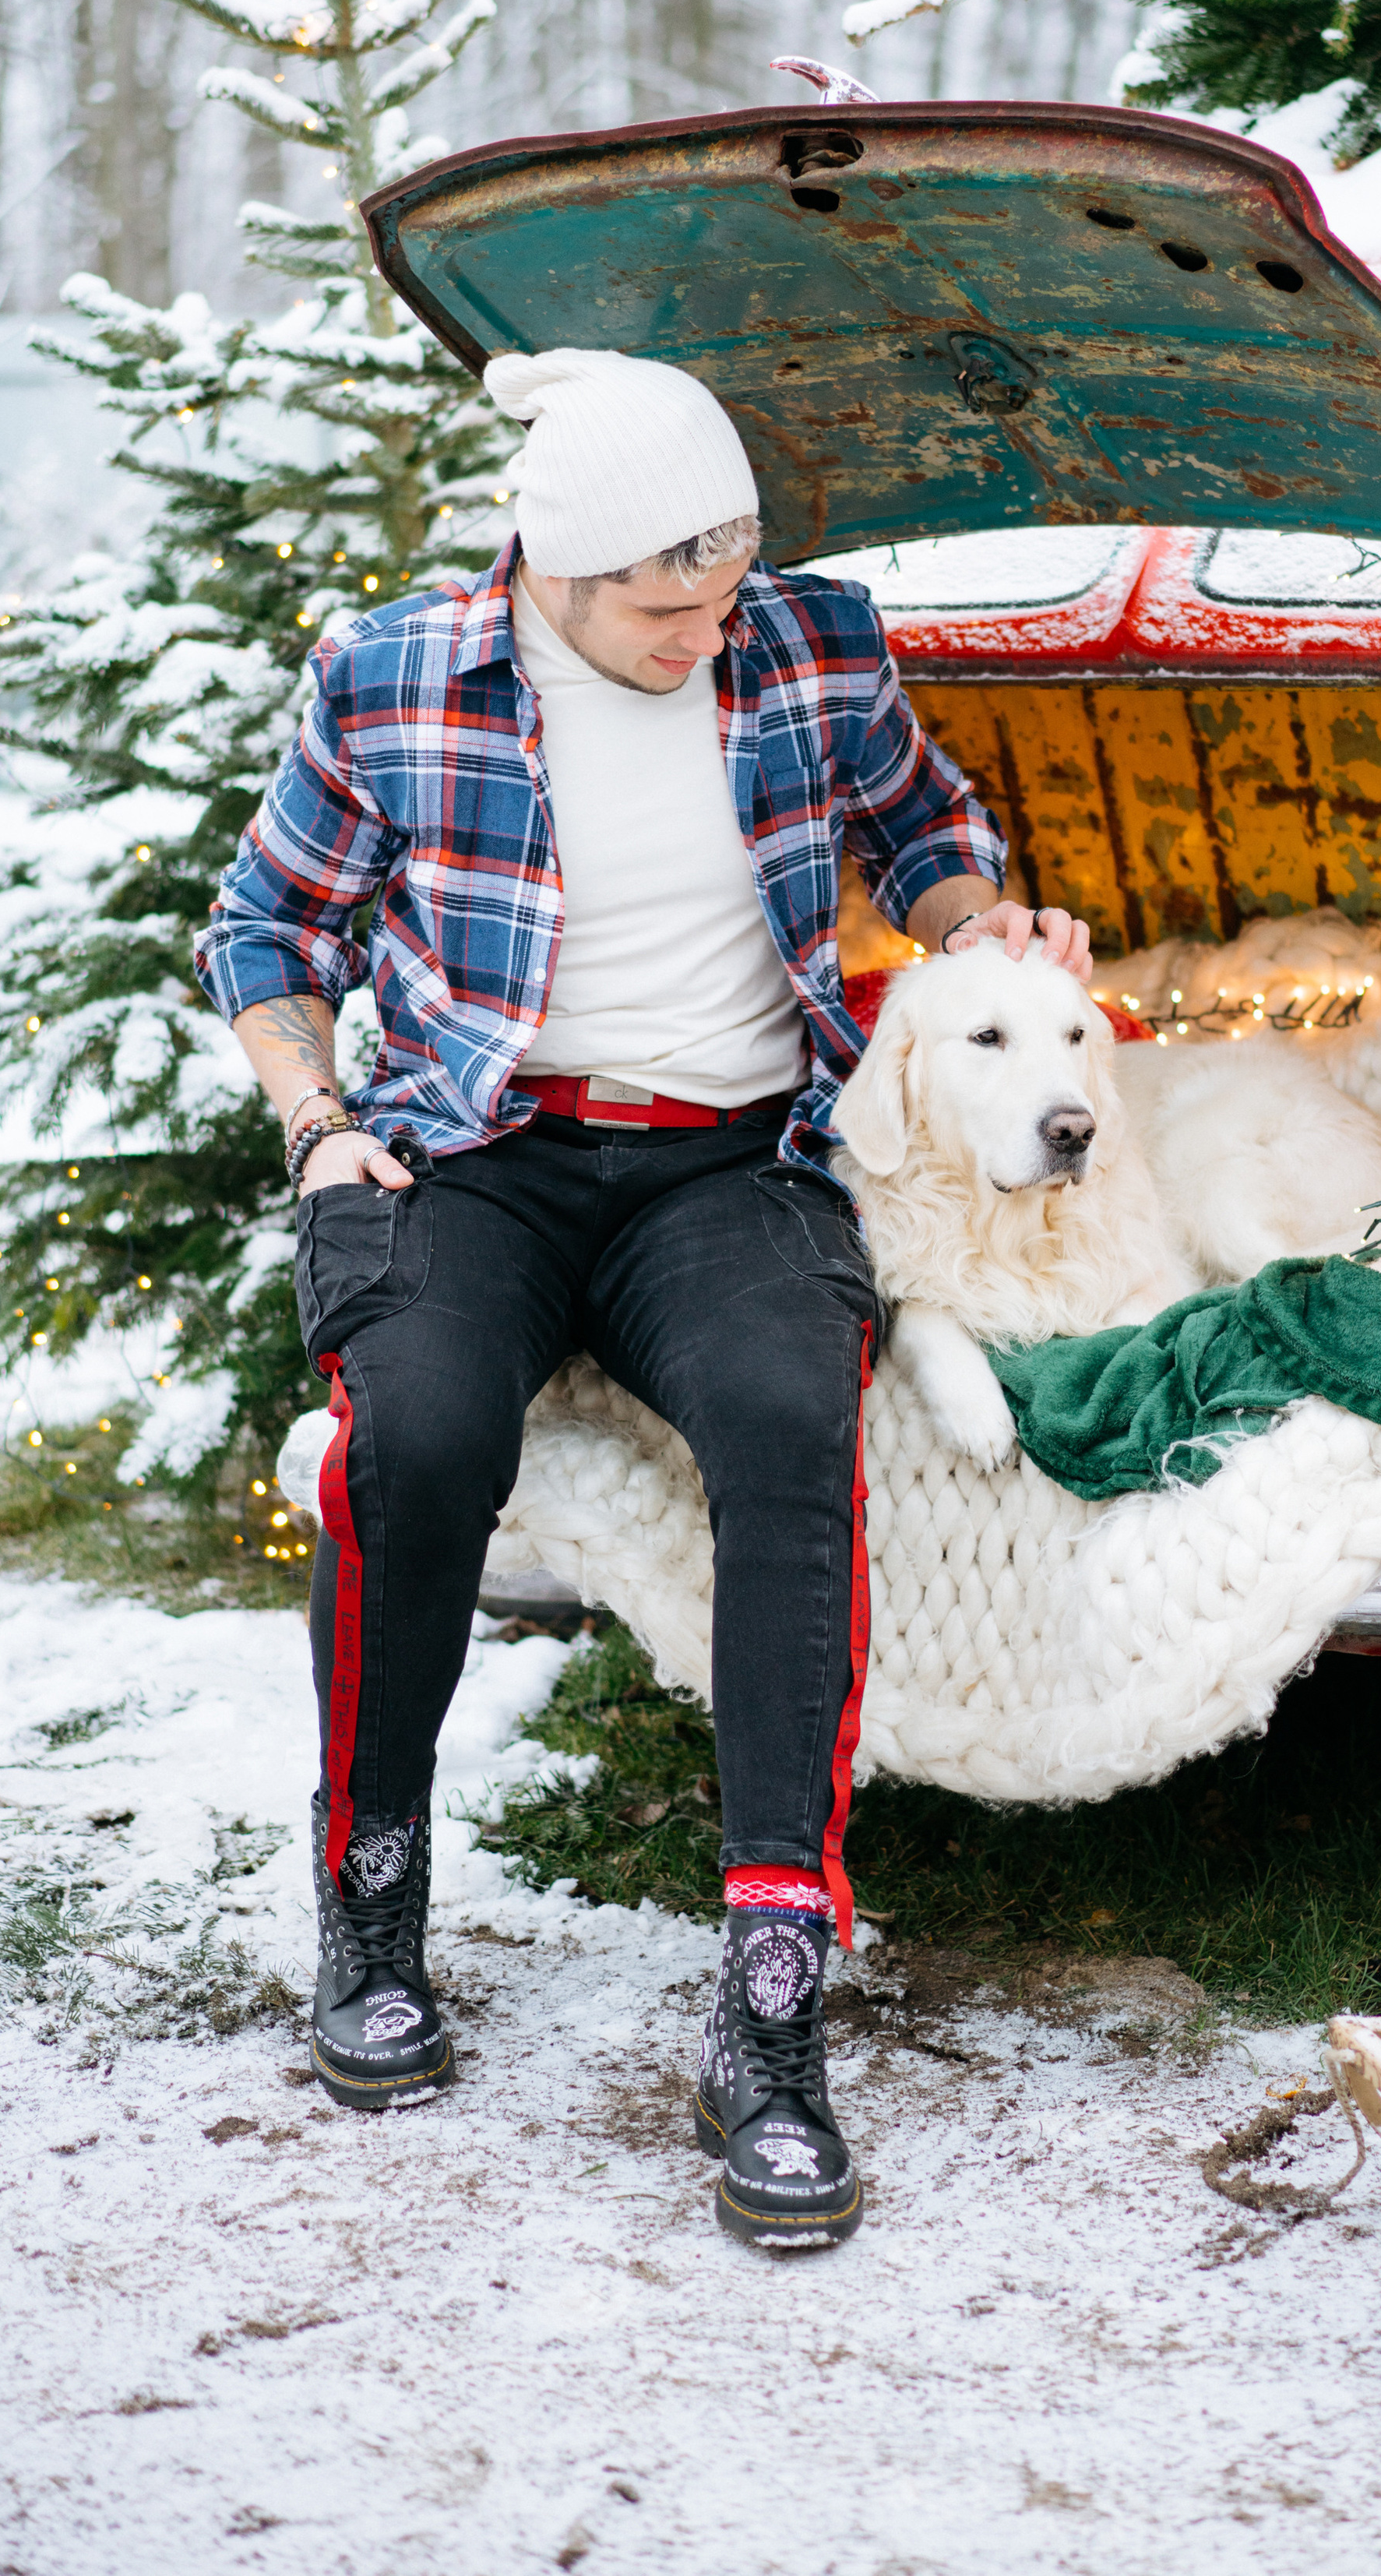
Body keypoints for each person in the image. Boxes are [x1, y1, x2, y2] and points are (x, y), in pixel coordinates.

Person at [196, 347, 1091, 2247]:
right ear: (549, 563)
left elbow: (928, 832)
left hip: (728, 1160)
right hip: (476, 1153)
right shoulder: (395, 675)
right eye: (658, 605)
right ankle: (372, 1893)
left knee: (787, 1424)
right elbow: (266, 922)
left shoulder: (810, 645)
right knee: (414, 1437)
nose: (702, 632)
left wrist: (977, 926)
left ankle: (769, 1987)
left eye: (723, 586)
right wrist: (315, 1120)